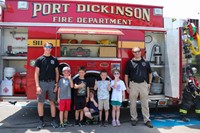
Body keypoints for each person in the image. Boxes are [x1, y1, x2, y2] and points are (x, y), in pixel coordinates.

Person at [124, 47, 153, 128]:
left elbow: (150, 73)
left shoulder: (146, 62)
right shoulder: (129, 62)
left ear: (141, 52)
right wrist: (127, 86)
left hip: (144, 84)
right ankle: (134, 118)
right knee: (132, 103)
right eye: (134, 52)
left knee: (145, 103)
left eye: (138, 51)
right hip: (133, 84)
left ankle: (147, 120)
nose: (136, 53)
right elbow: (126, 75)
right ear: (132, 53)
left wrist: (149, 83)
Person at [34, 42, 59, 129]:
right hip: (42, 83)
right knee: (40, 102)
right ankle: (41, 121)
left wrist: (56, 84)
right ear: (44, 47)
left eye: (50, 47)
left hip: (52, 83)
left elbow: (57, 72)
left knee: (52, 102)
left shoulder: (54, 59)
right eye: (47, 46)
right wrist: (37, 86)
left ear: (51, 49)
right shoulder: (39, 59)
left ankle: (53, 120)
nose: (49, 48)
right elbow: (36, 73)